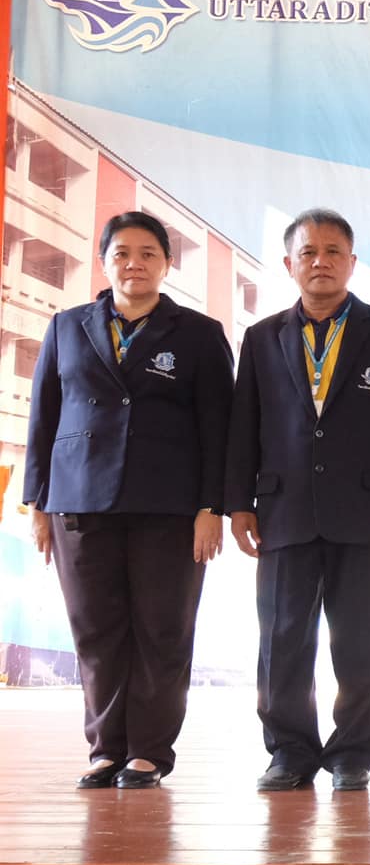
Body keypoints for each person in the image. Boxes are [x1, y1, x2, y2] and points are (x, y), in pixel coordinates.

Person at [21, 211, 234, 789]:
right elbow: (42, 417)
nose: (134, 263)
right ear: (103, 261)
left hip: (169, 507)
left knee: (163, 630)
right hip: (79, 501)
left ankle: (148, 751)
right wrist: (38, 502)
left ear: (167, 263)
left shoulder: (198, 332)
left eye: (147, 253)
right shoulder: (66, 326)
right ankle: (105, 748)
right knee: (95, 631)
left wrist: (211, 507)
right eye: (121, 253)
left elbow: (220, 428)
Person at [226, 209, 370, 792]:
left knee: (362, 640)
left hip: (366, 510)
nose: (321, 262)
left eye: (333, 251)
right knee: (282, 638)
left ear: (352, 263)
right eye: (308, 252)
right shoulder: (262, 338)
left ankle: (354, 752)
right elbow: (244, 425)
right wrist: (239, 503)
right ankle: (288, 749)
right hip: (282, 509)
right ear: (289, 265)